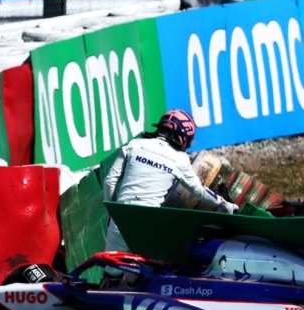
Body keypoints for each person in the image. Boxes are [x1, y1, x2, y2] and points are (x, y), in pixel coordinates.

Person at [102, 108, 237, 252]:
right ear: (182, 136)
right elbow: (199, 191)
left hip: (120, 218)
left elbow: (109, 181)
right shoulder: (180, 159)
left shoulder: (134, 145)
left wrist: (113, 211)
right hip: (149, 222)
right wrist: (222, 202)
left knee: (112, 271)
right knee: (150, 268)